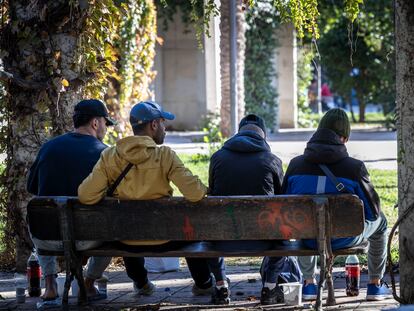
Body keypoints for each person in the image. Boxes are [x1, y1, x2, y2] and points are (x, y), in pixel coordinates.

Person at [78, 101, 215, 299]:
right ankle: (203, 283)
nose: (165, 128)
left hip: (125, 238)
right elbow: (194, 194)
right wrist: (205, 188)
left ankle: (141, 283)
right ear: (153, 125)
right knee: (190, 231)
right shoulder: (165, 155)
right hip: (165, 238)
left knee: (129, 231)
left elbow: (86, 195)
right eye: (162, 123)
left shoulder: (110, 156)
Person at [282, 108, 390, 301]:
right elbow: (373, 214)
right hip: (344, 237)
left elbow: (283, 206)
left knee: (305, 224)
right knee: (381, 222)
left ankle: (309, 284)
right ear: (345, 138)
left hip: (308, 239)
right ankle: (375, 285)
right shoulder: (354, 168)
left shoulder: (295, 165)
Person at [27, 99, 115, 304]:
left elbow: (32, 189)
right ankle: (89, 283)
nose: (106, 128)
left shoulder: (48, 148)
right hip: (89, 237)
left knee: (38, 213)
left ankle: (49, 286)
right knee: (113, 224)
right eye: (105, 123)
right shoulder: (106, 154)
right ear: (95, 123)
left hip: (47, 237)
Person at [209, 114, 302, 305]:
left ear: (238, 133)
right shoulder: (272, 160)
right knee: (281, 229)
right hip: (265, 238)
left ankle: (221, 287)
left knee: (209, 227)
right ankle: (269, 287)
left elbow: (212, 194)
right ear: (263, 136)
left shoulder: (217, 158)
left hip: (223, 238)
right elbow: (282, 200)